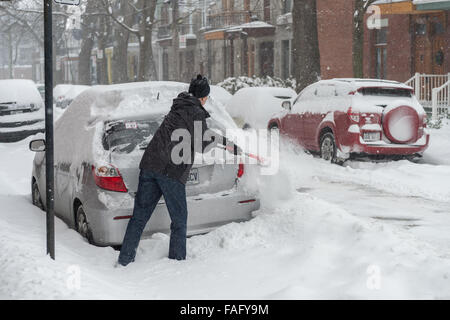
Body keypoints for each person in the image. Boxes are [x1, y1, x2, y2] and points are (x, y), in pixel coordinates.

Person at [117, 75, 241, 266]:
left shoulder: (179, 106)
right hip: (171, 171)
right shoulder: (196, 113)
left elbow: (199, 134)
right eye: (206, 96)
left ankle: (125, 259)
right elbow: (202, 144)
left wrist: (225, 142)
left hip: (150, 164)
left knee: (140, 216)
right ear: (202, 97)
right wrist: (224, 144)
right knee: (179, 219)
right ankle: (177, 261)